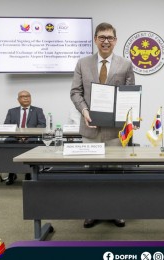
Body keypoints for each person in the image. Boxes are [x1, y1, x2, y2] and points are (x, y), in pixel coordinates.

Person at [70, 22, 135, 229]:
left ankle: (116, 211)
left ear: (115, 40)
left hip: (115, 132)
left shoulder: (125, 64)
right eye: (101, 37)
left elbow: (130, 94)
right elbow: (75, 92)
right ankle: (92, 212)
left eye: (109, 37)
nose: (106, 41)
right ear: (96, 40)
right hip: (89, 129)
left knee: (116, 172)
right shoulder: (83, 63)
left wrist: (130, 115)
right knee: (91, 172)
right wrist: (84, 111)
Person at [3, 90, 46, 185]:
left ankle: (29, 172)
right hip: (15, 137)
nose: (26, 98)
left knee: (34, 143)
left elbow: (42, 125)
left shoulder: (38, 110)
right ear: (18, 99)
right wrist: (18, 135)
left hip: (32, 137)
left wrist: (28, 134)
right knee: (7, 143)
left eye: (28, 96)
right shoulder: (12, 111)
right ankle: (11, 172)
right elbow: (7, 125)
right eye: (23, 96)